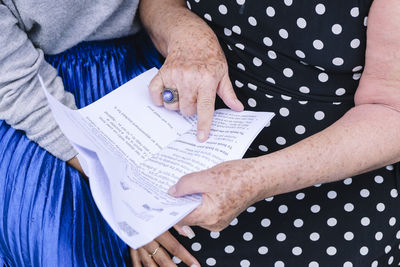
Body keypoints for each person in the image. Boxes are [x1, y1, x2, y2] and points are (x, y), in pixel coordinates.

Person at [137, 0, 400, 266]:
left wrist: (255, 179)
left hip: (332, 205)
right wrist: (184, 31)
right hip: (186, 182)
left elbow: (392, 111)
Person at [0, 1, 201, 266]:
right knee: (63, 245)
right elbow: (14, 79)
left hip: (144, 69)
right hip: (37, 100)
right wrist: (119, 188)